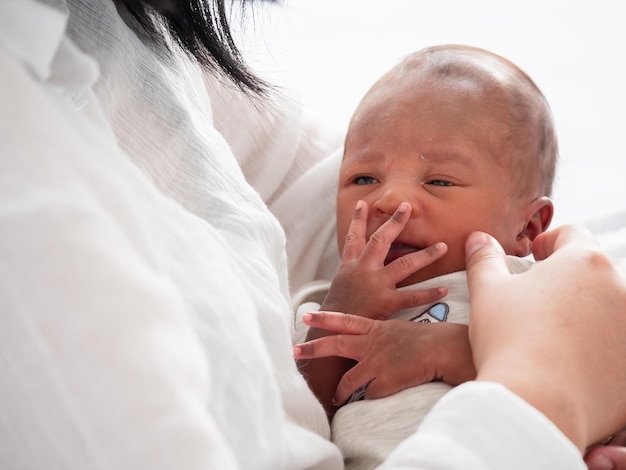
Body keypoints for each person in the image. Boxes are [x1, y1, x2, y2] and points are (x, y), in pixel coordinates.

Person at [2, 2, 626, 470]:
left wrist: (463, 354)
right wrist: (345, 310)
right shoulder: (328, 303)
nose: (387, 199)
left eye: (439, 181)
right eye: (362, 177)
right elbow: (314, 401)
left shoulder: (526, 280)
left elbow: (594, 355)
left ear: (528, 226)